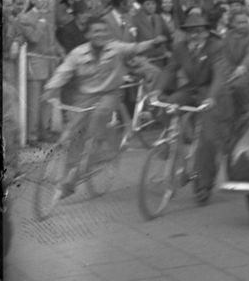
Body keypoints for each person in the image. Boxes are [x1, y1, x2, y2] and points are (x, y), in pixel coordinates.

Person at [40, 13, 165, 199]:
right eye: (96, 31)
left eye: (103, 31)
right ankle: (69, 175)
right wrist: (50, 89)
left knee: (99, 117)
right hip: (84, 97)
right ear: (88, 34)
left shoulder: (116, 48)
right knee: (74, 133)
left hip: (109, 94)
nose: (100, 34)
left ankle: (92, 154)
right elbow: (63, 71)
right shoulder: (78, 53)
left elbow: (135, 47)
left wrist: (154, 42)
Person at [194, 6, 249, 204]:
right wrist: (225, 73)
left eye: (245, 21)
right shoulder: (226, 37)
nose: (242, 25)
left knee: (240, 94)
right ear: (231, 23)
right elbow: (222, 59)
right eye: (238, 22)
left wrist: (242, 68)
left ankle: (246, 115)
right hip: (230, 76)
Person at [153, 9, 225, 197]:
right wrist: (157, 90)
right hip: (192, 88)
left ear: (207, 32)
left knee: (208, 139)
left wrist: (212, 97)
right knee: (168, 105)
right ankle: (172, 146)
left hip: (211, 92)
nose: (195, 35)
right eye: (191, 31)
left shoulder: (216, 46)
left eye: (199, 31)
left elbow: (219, 74)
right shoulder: (180, 47)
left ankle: (203, 185)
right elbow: (170, 69)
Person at [14, 0, 65, 143]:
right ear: (33, 0)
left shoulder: (49, 16)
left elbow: (52, 40)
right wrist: (41, 23)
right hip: (35, 65)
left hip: (50, 64)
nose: (44, 0)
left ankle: (44, 132)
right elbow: (34, 38)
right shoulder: (25, 17)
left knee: (47, 101)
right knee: (34, 103)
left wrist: (61, 51)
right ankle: (32, 135)